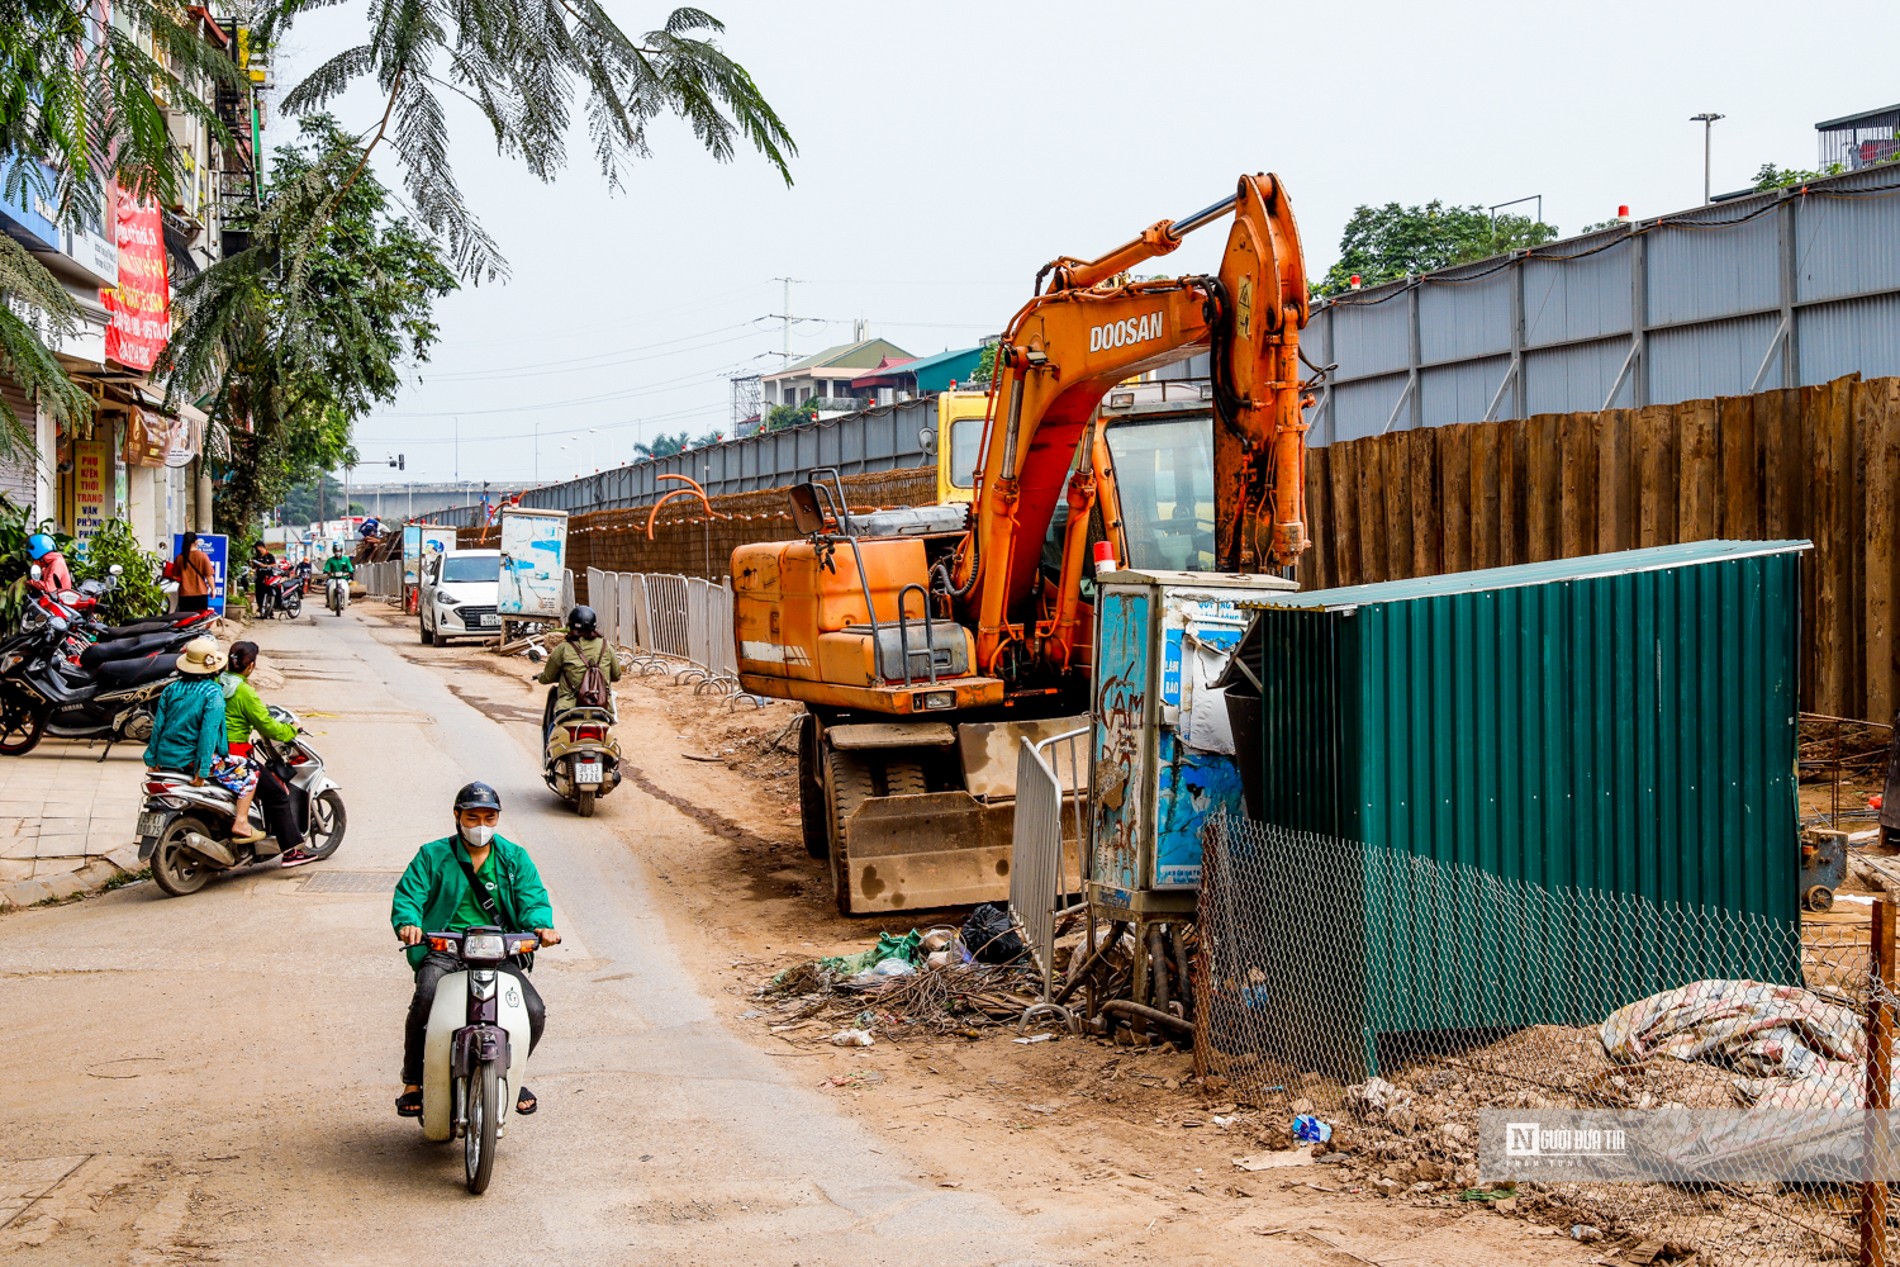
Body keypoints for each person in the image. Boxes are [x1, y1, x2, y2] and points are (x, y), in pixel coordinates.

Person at [390, 782, 560, 1119]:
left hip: (498, 951)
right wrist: (409, 923)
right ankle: (412, 1081)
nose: (480, 824)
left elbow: (533, 898)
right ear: (457, 816)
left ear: (497, 818)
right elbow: (409, 896)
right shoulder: (431, 855)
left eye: (489, 817)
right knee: (425, 996)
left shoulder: (514, 858)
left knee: (533, 1011)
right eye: (473, 816)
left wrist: (542, 925)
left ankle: (513, 1073)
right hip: (445, 949)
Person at [144, 638, 265, 843]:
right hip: (192, 761)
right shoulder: (212, 693)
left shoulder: (170, 690)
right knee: (251, 771)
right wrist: (201, 771)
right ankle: (242, 821)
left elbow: (158, 728)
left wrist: (152, 760)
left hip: (166, 759)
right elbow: (207, 735)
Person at [221, 641, 317, 866]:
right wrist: (291, 729)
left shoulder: (216, 682)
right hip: (237, 756)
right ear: (251, 666)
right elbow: (267, 726)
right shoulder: (244, 692)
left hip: (215, 753)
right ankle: (292, 851)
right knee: (276, 794)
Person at [536, 605, 620, 738]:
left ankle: (548, 756)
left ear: (570, 627)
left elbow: (548, 676)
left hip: (569, 709)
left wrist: (540, 677)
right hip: (602, 708)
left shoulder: (563, 649)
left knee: (551, 728)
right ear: (594, 626)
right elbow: (616, 675)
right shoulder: (606, 646)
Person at [171, 532, 216, 613]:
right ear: (196, 542)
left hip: (184, 595)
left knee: (185, 620)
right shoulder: (202, 556)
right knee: (199, 620)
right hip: (200, 594)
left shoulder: (179, 558)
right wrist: (213, 589)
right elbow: (209, 576)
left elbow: (174, 575)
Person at [25, 533, 75, 597]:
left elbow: (49, 588)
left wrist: (31, 582)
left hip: (60, 602)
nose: (33, 560)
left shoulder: (57, 564)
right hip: (56, 600)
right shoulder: (50, 563)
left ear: (37, 553)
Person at [250, 541, 276, 616]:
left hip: (268, 579)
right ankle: (262, 609)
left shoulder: (269, 556)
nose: (256, 550)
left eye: (257, 548)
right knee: (259, 595)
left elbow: (274, 565)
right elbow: (254, 567)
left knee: (269, 594)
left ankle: (270, 611)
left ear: (260, 547)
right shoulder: (257, 557)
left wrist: (264, 566)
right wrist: (252, 564)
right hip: (259, 578)